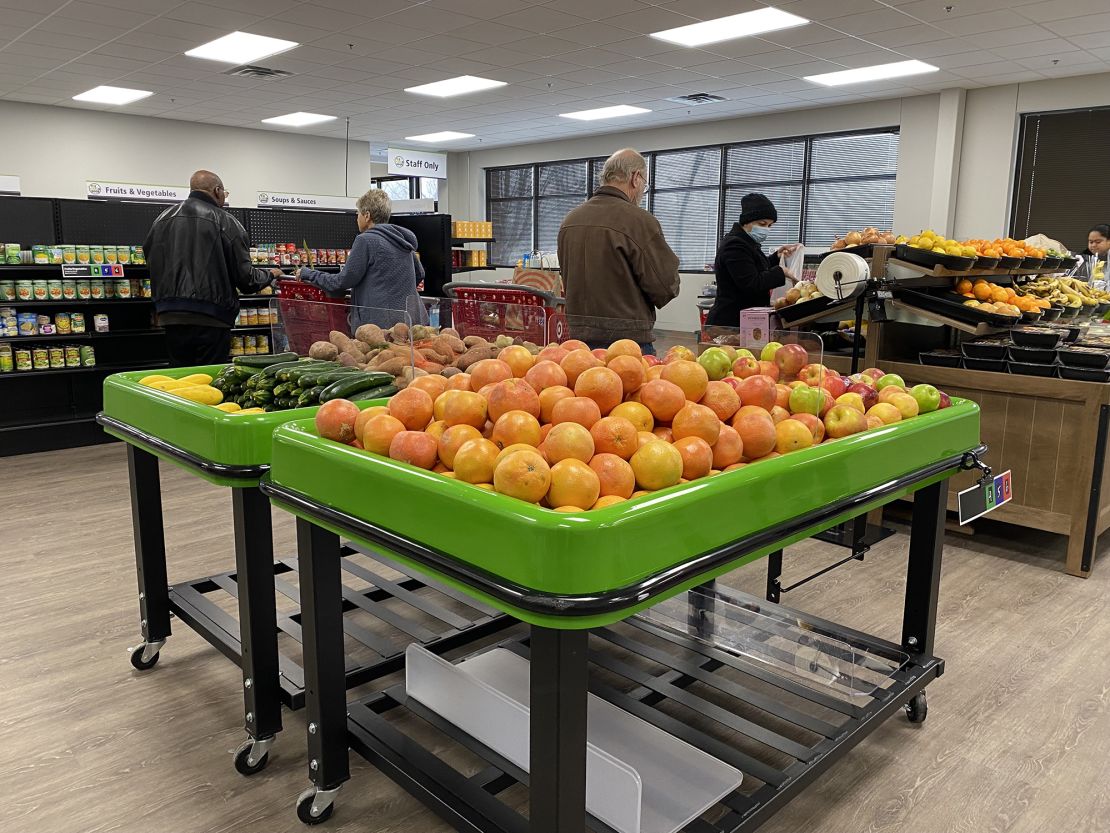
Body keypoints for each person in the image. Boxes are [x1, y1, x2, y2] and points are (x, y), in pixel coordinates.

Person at [145, 170, 281, 366]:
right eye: (225, 193)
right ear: (217, 190)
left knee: (180, 377)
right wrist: (270, 274)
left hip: (170, 315)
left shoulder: (161, 220)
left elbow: (151, 260)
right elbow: (247, 280)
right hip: (211, 316)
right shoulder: (226, 222)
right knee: (210, 379)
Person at [557, 148, 680, 354]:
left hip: (578, 347)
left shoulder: (570, 220)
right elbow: (665, 287)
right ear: (635, 178)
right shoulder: (639, 222)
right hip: (628, 346)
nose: (643, 190)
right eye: (645, 184)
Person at [295, 189, 427, 328]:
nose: (356, 217)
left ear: (367, 216)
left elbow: (342, 282)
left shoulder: (366, 240)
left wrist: (308, 273)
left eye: (357, 213)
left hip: (380, 327)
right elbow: (420, 274)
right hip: (411, 320)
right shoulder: (401, 240)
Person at [705, 193, 801, 327]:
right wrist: (781, 271)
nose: (766, 229)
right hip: (729, 322)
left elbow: (753, 266)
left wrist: (776, 257)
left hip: (743, 319)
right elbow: (751, 282)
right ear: (746, 221)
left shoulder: (747, 243)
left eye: (770, 226)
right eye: (762, 224)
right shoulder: (734, 246)